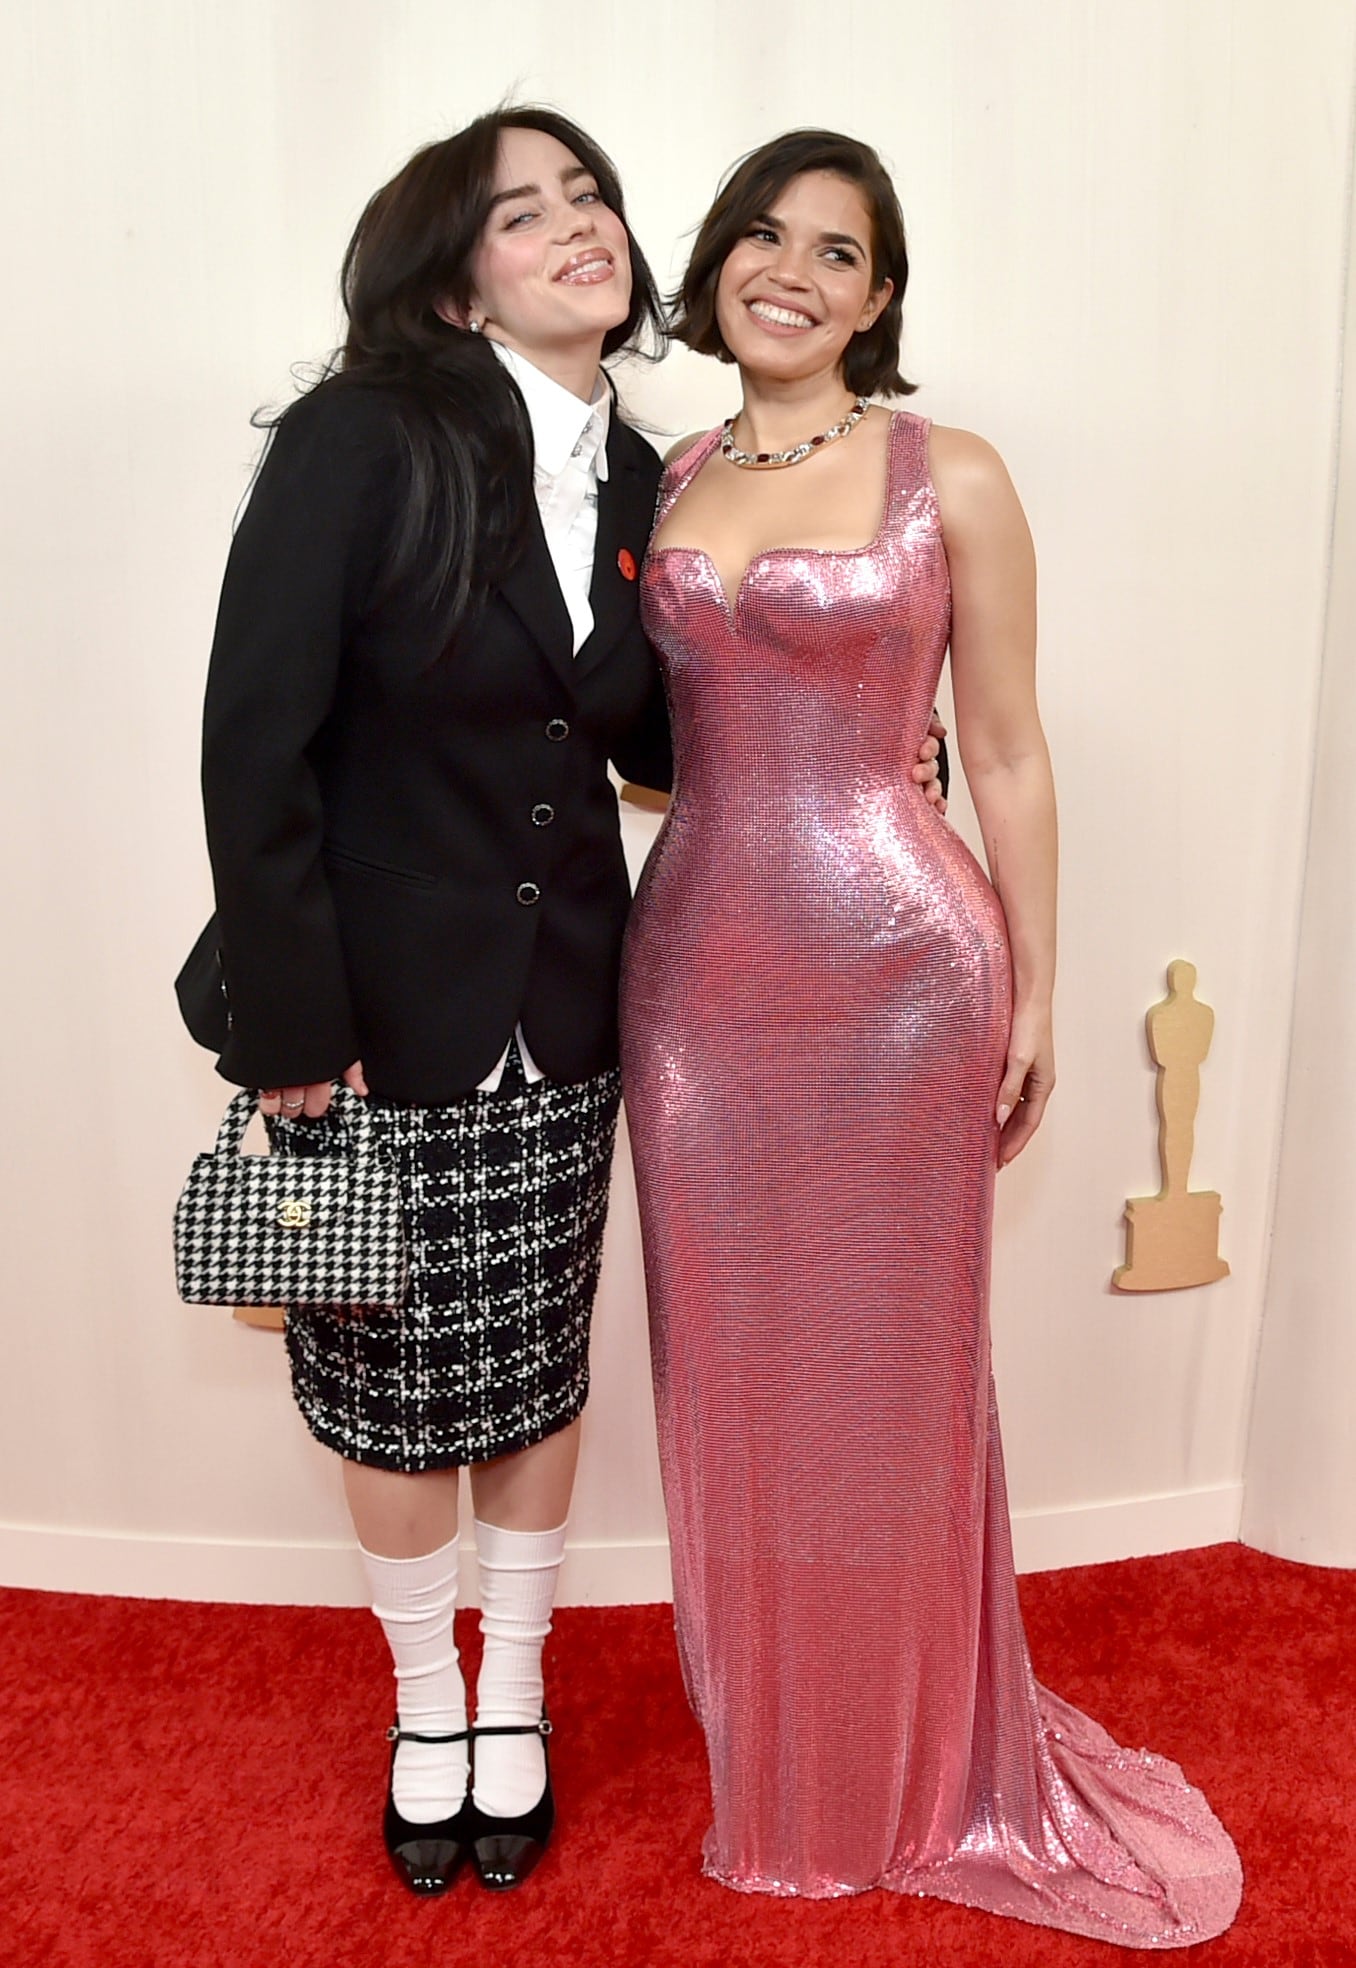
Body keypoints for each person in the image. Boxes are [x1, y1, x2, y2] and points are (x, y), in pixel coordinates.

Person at [184, 101, 954, 1898]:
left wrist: (856, 743)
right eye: (522, 214)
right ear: (455, 287)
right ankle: (421, 1707)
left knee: (530, 1367)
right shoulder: (359, 439)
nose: (578, 226)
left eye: (589, 195)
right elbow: (254, 737)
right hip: (364, 1020)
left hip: (579, 1001)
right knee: (379, 1378)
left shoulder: (647, 475)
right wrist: (295, 1025)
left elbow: (641, 731)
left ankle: (513, 1690)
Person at [619, 130, 1243, 1945]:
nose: (792, 270)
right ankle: (786, 1761)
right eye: (765, 234)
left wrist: (1043, 983)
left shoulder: (946, 471)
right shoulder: (665, 477)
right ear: (721, 260)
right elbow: (653, 731)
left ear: (882, 296)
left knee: (890, 1392)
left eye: (841, 250)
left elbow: (1016, 748)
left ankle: (914, 1764)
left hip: (902, 974)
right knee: (731, 1383)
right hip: (696, 995)